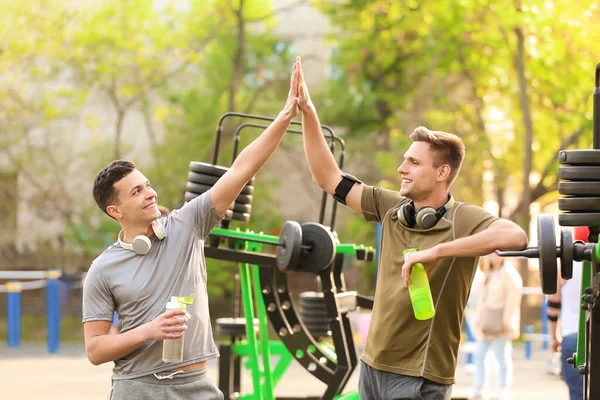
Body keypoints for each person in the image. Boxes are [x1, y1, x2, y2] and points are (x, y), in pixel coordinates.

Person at [294, 56, 528, 399]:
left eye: (414, 162)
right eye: (405, 159)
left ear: (442, 172)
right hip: (373, 366)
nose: (402, 167)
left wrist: (437, 251)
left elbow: (516, 236)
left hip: (419, 376)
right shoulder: (392, 207)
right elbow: (327, 177)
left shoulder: (462, 218)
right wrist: (309, 114)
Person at [82, 60, 302, 399]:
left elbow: (241, 168)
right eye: (136, 191)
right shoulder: (102, 270)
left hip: (196, 386)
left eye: (148, 185)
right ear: (115, 210)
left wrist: (286, 115)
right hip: (136, 388)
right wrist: (148, 331)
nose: (150, 193)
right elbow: (96, 350)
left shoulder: (187, 225)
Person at [469, 252, 522, 400]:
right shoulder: (489, 274)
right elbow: (482, 299)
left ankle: (503, 388)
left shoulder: (508, 273)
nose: (494, 258)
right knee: (480, 355)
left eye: (497, 255)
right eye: (491, 255)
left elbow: (513, 297)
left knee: (502, 356)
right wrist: (479, 319)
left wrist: (507, 320)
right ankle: (479, 386)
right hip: (487, 321)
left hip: (500, 321)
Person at [547, 226, 587, 400]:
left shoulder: (564, 266)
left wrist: (554, 337)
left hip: (572, 338)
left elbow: (553, 305)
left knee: (577, 393)